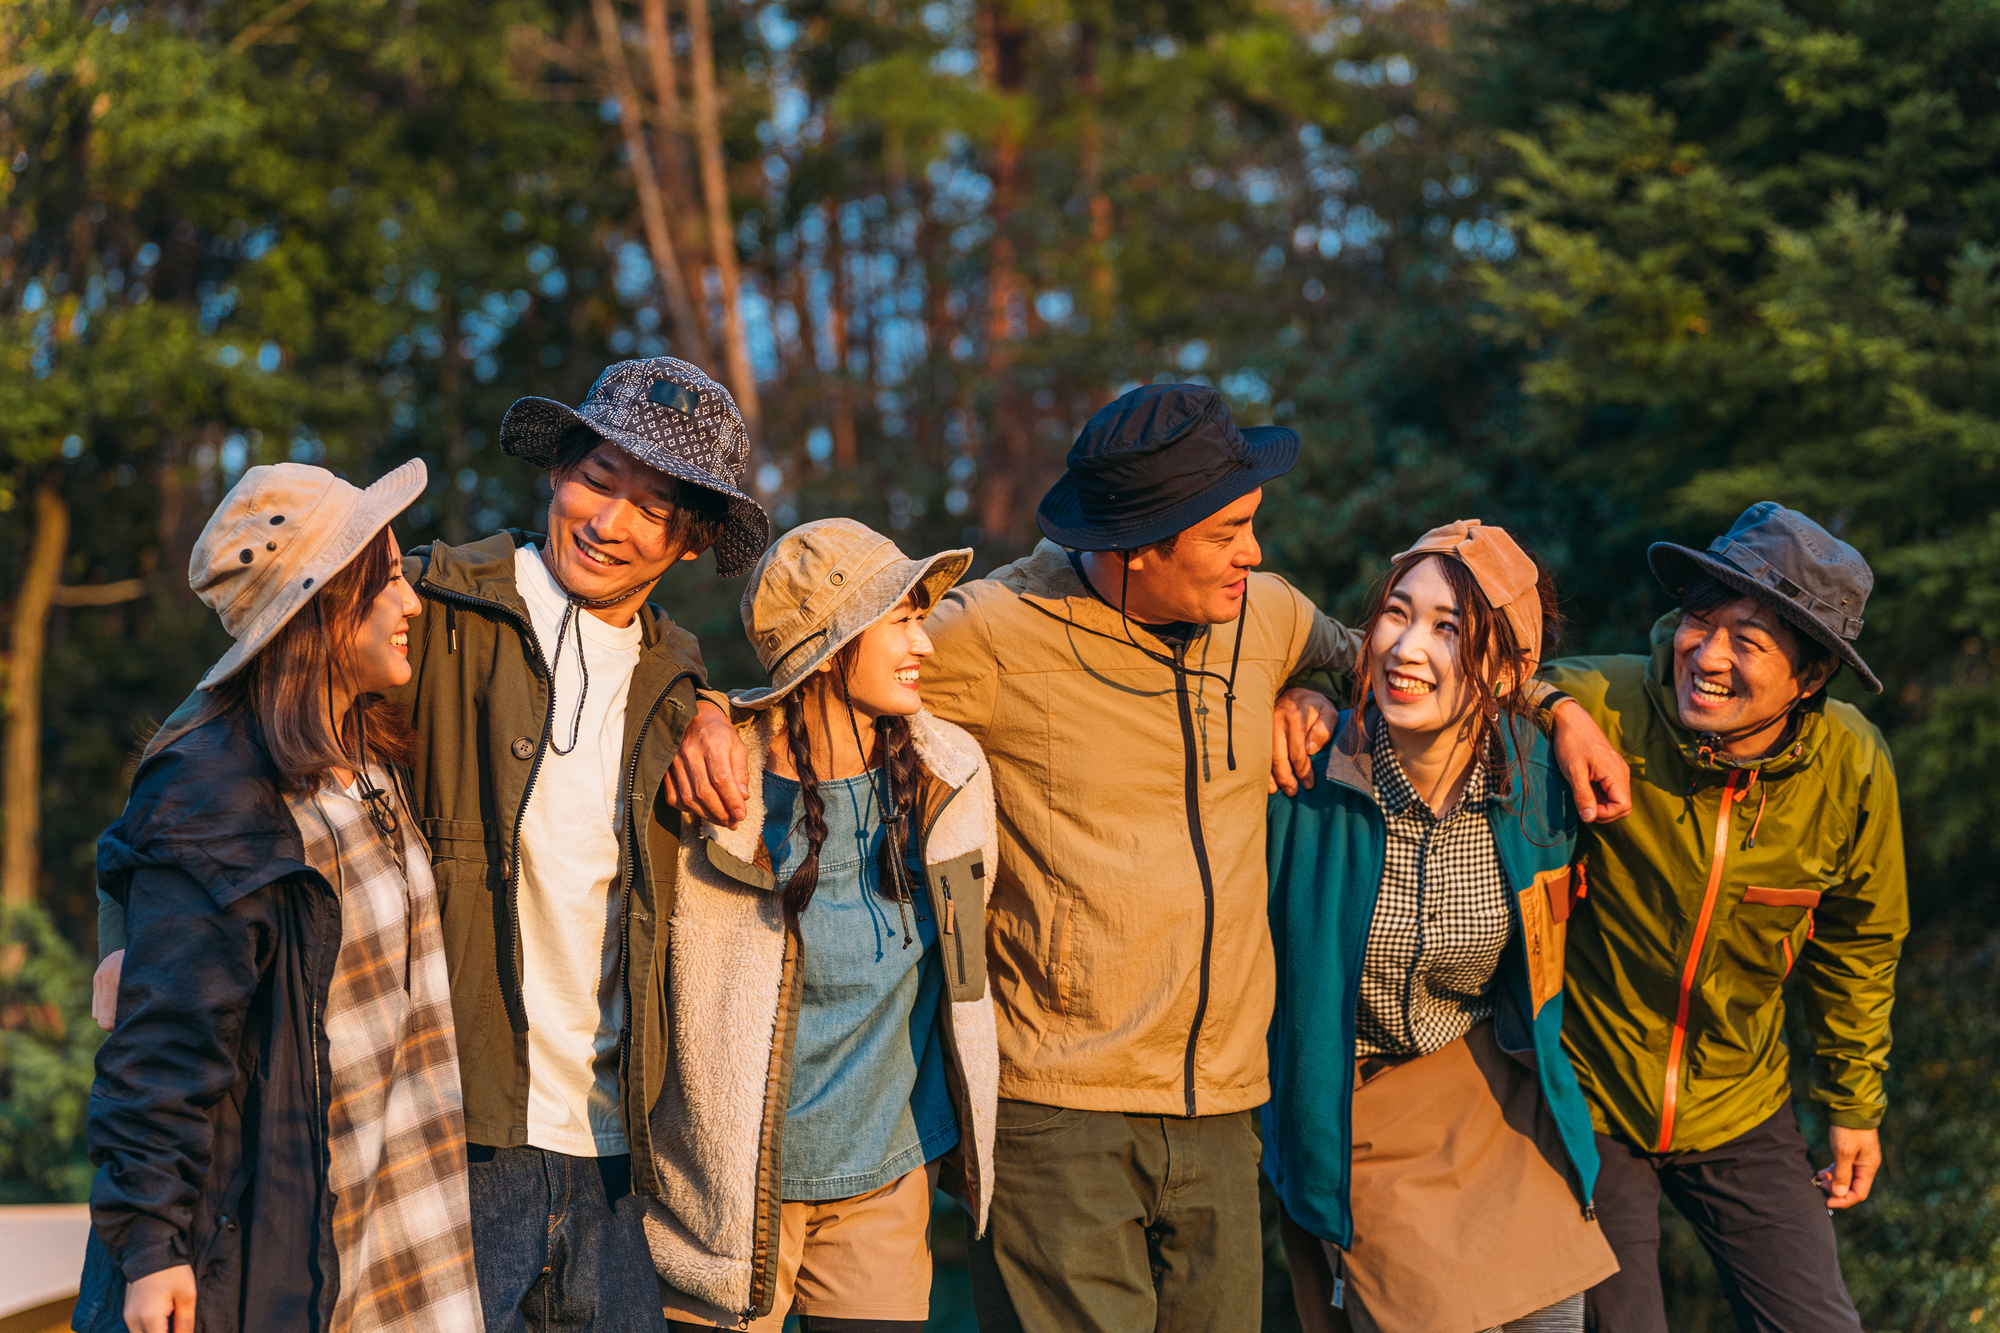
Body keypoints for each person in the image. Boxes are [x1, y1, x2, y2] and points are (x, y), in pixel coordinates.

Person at [914, 383, 1633, 1333]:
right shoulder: (992, 631)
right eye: (1229, 533)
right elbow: (829, 672)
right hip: (1060, 1105)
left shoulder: (1265, 615)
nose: (1254, 551)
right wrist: (719, 721)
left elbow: (1402, 659)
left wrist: (1553, 705)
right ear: (1139, 545)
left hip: (1223, 1107)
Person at [93, 357, 769, 1333]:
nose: (607, 521)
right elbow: (199, 747)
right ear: (555, 472)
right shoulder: (424, 608)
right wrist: (130, 942)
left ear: (693, 539)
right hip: (450, 1138)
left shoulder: (673, 672)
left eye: (654, 507)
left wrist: (706, 706)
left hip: (616, 1154)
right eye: (597, 478)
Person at [77, 460, 484, 1333]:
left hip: (395, 1228)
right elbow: (163, 1051)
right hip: (277, 1250)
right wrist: (151, 1249)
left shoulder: (364, 759)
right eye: (390, 580)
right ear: (330, 603)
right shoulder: (217, 792)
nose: (412, 603)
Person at [1538, 502, 1907, 1333]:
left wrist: (1854, 1104)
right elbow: (1477, 679)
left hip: (1740, 1099)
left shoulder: (1850, 765)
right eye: (1702, 619)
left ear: (1810, 677)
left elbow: (1859, 944)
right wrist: (1555, 713)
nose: (1706, 654)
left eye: (1750, 641)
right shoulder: (1608, 700)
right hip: (1590, 1094)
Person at [1263, 520, 1618, 1333]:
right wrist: (1295, 695)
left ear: (1505, 669)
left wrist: (1560, 708)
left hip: (1491, 1093)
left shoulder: (1541, 782)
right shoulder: (1306, 777)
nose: (1406, 647)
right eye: (1396, 613)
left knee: (1553, 1312)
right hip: (1355, 1108)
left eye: (1447, 627)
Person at [646, 518, 999, 1332]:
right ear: (830, 648)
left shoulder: (953, 775)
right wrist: (695, 708)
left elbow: (967, 964)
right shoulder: (711, 785)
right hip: (723, 1206)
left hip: (886, 1179)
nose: (928, 644)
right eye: (903, 620)